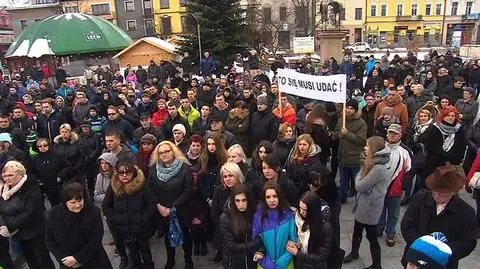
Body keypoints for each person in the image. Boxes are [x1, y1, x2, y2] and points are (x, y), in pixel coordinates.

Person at [401, 166, 477, 269]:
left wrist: (442, 253)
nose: (437, 195)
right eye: (435, 190)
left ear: (453, 191)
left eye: (443, 193)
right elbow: (407, 225)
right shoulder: (420, 199)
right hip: (415, 259)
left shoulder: (466, 212)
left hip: (444, 263)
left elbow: (468, 242)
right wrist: (422, 246)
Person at [344, 136, 390, 269]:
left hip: (370, 208)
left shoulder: (378, 168)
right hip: (363, 204)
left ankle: (377, 265)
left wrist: (360, 178)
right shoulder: (370, 163)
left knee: (372, 237)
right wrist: (362, 178)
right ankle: (354, 253)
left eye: (367, 146)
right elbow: (362, 179)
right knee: (357, 231)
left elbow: (359, 185)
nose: (365, 147)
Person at [0, 161, 55, 269]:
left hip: (35, 232)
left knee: (43, 261)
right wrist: (2, 225)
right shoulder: (5, 189)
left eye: (10, 175)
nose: (7, 178)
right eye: (4, 175)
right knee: (30, 261)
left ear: (20, 174)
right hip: (18, 234)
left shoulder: (31, 187)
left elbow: (29, 212)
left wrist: (9, 226)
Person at [148, 141, 194, 269]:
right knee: (168, 237)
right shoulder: (153, 169)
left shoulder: (185, 168)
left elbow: (188, 190)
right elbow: (149, 189)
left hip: (181, 209)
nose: (163, 154)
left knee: (185, 236)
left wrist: (173, 207)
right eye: (160, 152)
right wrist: (158, 205)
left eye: (166, 151)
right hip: (162, 211)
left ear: (173, 151)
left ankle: (188, 260)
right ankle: (170, 260)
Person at [102, 160, 156, 269]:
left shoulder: (142, 186)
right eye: (121, 173)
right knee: (133, 254)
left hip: (140, 228)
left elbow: (151, 204)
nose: (125, 175)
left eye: (128, 172)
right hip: (123, 229)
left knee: (146, 254)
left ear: (134, 173)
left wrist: (142, 219)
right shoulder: (114, 186)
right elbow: (106, 206)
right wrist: (116, 219)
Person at [45, 183, 113, 269]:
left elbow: (96, 238)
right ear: (65, 202)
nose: (77, 205)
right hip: (68, 262)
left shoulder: (93, 212)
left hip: (93, 260)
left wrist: (78, 259)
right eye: (72, 202)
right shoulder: (54, 214)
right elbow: (50, 239)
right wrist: (63, 259)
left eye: (80, 201)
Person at [377, 124, 412, 247]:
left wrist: (402, 186)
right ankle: (379, 228)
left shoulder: (405, 151)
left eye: (395, 133)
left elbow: (409, 171)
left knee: (393, 213)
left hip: (395, 189)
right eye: (390, 133)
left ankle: (390, 233)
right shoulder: (379, 147)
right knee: (380, 210)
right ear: (387, 134)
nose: (392, 135)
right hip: (380, 187)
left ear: (400, 135)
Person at [252, 181, 298, 269]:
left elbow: (293, 242)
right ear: (264, 199)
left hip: (286, 264)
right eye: (268, 197)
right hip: (264, 264)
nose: (272, 200)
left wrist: (282, 263)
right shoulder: (258, 216)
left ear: (280, 197)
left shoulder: (289, 215)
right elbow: (255, 241)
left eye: (275, 196)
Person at [418, 106, 466, 188]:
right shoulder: (435, 128)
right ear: (443, 117)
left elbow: (461, 147)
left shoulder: (459, 130)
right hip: (434, 163)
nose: (450, 118)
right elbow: (427, 143)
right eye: (448, 115)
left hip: (451, 164)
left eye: (452, 116)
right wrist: (442, 153)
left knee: (448, 189)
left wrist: (450, 155)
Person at [288, 191, 333, 269]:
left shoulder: (325, 228)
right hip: (302, 263)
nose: (301, 212)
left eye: (305, 209)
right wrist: (297, 244)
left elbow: (322, 257)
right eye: (300, 208)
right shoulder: (300, 219)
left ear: (313, 210)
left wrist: (297, 253)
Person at [219, 184, 260, 269]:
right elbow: (231, 246)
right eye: (237, 201)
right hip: (234, 262)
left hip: (252, 260)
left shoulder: (254, 213)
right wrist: (256, 242)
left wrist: (260, 250)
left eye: (244, 200)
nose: (241, 204)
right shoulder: (225, 218)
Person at [335, 99, 367, 203]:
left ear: (356, 110)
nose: (348, 110)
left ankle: (360, 201)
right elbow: (337, 133)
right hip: (343, 156)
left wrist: (347, 134)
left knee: (357, 181)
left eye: (351, 108)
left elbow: (361, 141)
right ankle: (342, 198)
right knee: (343, 181)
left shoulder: (361, 123)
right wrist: (335, 134)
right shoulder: (341, 120)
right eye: (347, 108)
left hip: (354, 158)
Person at [30, 138, 71, 206]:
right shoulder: (35, 159)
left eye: (45, 145)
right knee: (54, 204)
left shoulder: (58, 155)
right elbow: (32, 171)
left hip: (59, 184)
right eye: (40, 146)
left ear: (49, 145)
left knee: (63, 203)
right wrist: (38, 180)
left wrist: (60, 176)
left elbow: (67, 166)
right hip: (46, 185)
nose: (42, 147)